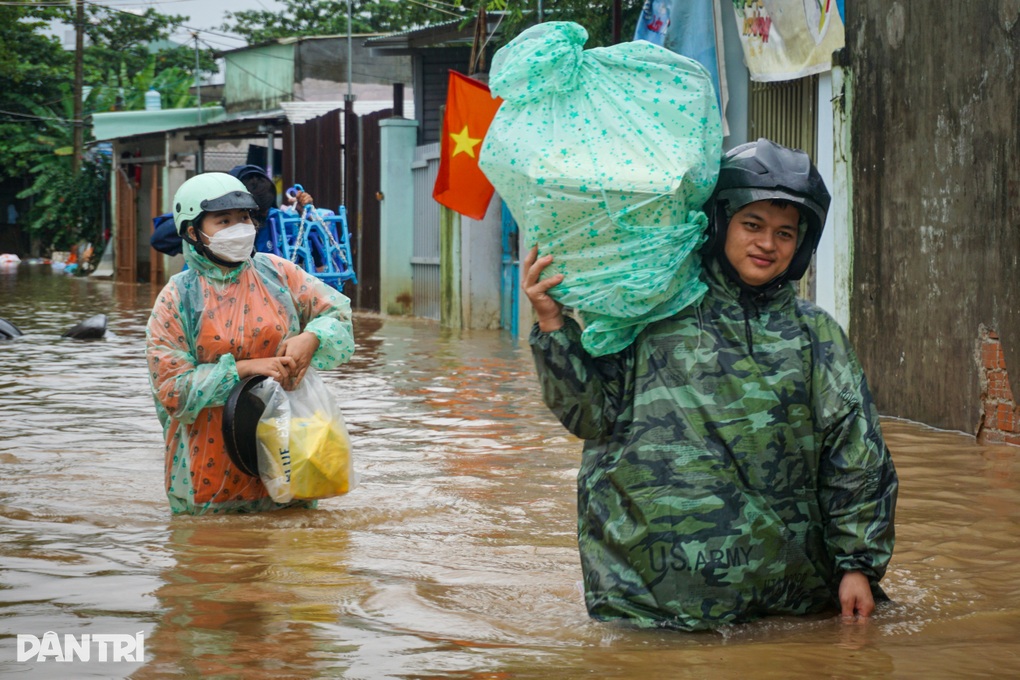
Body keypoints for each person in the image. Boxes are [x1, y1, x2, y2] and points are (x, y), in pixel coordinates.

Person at [524, 138, 898, 630]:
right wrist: (553, 327)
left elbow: (855, 452)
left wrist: (857, 565)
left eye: (786, 233)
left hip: (787, 599)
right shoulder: (651, 311)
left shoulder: (815, 334)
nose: (768, 243)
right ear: (719, 222)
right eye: (753, 225)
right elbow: (589, 416)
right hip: (648, 598)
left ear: (802, 244)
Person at [145, 172, 355, 515]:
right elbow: (172, 389)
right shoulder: (177, 298)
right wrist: (243, 370)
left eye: (243, 218)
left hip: (292, 460)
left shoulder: (278, 273)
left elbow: (339, 314)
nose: (238, 228)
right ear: (192, 231)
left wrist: (313, 336)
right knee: (216, 559)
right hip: (209, 476)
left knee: (301, 554)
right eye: (223, 220)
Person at [149, 164, 313, 257]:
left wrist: (303, 213)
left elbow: (313, 245)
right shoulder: (205, 220)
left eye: (247, 217)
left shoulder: (277, 222)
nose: (251, 226)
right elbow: (160, 239)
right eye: (226, 219)